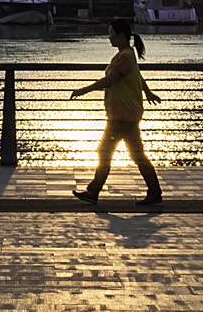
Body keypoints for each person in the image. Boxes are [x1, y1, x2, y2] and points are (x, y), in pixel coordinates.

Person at [70, 17, 164, 207]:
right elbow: (137, 76)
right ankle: (153, 192)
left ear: (121, 35)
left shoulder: (124, 56)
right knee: (134, 154)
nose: (109, 38)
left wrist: (83, 90)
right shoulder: (128, 54)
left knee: (107, 152)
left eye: (111, 34)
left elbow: (110, 80)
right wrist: (147, 92)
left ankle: (94, 191)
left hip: (123, 115)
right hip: (126, 114)